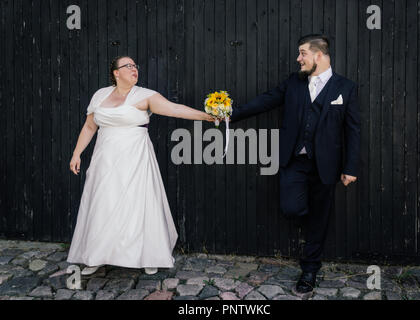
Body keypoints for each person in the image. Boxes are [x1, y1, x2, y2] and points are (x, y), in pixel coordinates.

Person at [230, 34, 360, 296]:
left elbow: (353, 130)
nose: (298, 58)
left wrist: (351, 167)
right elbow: (265, 100)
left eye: (303, 53)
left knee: (320, 219)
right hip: (294, 160)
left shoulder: (346, 88)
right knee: (292, 208)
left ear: (318, 56)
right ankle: (310, 224)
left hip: (327, 165)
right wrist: (229, 114)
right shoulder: (293, 82)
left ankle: (310, 269)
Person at [67, 56, 215, 276]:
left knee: (140, 204)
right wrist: (77, 153)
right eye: (128, 66)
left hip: (135, 158)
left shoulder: (145, 96)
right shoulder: (99, 95)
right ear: (116, 73)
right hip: (104, 160)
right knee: (102, 204)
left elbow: (175, 109)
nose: (134, 69)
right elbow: (90, 126)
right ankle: (96, 255)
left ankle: (149, 254)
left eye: (135, 66)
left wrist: (206, 116)